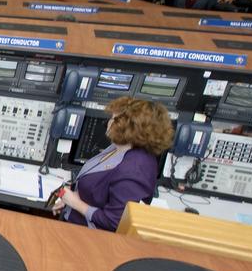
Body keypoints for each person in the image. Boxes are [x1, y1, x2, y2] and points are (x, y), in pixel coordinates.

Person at [52, 97, 172, 231]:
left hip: (90, 237)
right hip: (74, 220)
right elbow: (98, 189)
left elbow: (114, 222)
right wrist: (69, 200)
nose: (108, 122)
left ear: (129, 128)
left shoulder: (134, 170)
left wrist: (75, 203)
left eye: (114, 119)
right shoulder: (120, 147)